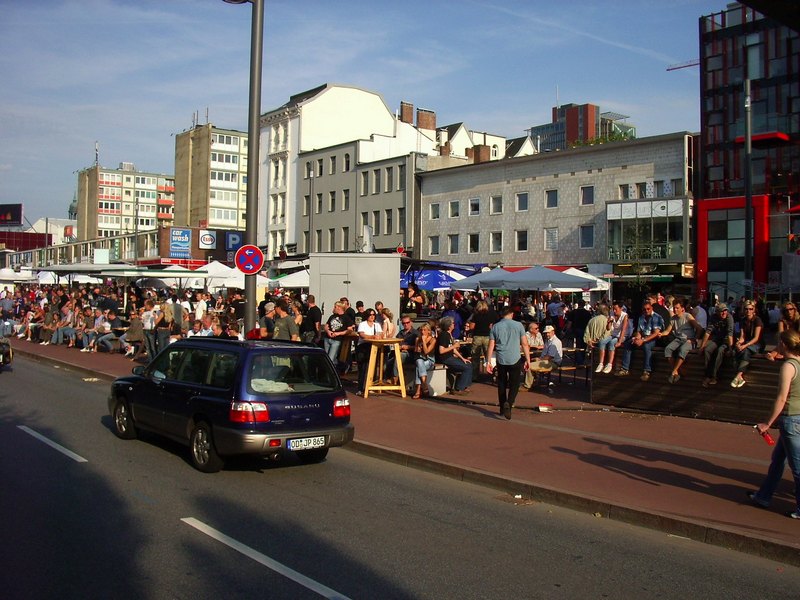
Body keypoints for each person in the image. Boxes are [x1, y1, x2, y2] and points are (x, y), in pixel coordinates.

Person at [749, 329, 800, 519]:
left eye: (779, 343)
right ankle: (763, 496)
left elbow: (781, 398)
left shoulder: (788, 366)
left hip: (791, 419)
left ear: (784, 345)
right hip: (798, 417)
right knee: (778, 460)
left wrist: (767, 423)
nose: (777, 346)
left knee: (797, 467)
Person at [486, 306, 531, 420]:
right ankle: (509, 404)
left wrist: (488, 362)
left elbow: (491, 345)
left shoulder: (495, 326)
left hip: (501, 358)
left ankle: (502, 407)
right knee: (514, 384)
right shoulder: (519, 325)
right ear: (511, 314)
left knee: (501, 383)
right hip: (515, 357)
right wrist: (527, 359)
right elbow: (525, 344)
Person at [659, 298, 704, 384]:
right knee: (667, 349)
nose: (675, 310)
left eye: (677, 308)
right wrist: (661, 334)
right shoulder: (673, 319)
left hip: (689, 339)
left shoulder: (687, 316)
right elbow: (668, 330)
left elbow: (699, 328)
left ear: (682, 308)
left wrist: (695, 339)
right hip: (678, 339)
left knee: (683, 349)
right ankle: (676, 371)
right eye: (674, 308)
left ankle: (674, 371)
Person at [617, 301, 665, 381]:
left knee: (647, 346)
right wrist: (637, 338)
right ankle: (625, 368)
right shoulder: (641, 317)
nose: (646, 311)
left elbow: (656, 333)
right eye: (644, 309)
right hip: (644, 337)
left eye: (648, 309)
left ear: (651, 308)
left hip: (654, 338)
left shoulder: (657, 317)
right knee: (628, 343)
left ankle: (647, 370)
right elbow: (639, 332)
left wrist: (643, 340)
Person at [698, 303, 734, 387]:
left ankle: (714, 376)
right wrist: (702, 347)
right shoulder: (714, 317)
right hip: (718, 338)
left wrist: (730, 348)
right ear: (717, 312)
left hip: (727, 340)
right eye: (722, 311)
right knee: (707, 350)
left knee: (720, 351)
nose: (724, 313)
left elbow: (730, 333)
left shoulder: (729, 317)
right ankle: (708, 374)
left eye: (725, 310)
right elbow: (708, 332)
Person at [731, 300, 764, 388]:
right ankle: (739, 377)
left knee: (746, 351)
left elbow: (756, 338)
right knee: (735, 351)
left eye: (750, 309)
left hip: (757, 344)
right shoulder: (743, 320)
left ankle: (739, 375)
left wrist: (744, 345)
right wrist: (738, 343)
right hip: (747, 343)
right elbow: (742, 337)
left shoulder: (757, 320)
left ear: (754, 310)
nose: (748, 311)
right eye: (746, 309)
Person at [436, 316, 472, 394]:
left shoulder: (449, 335)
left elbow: (454, 350)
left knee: (468, 364)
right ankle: (459, 388)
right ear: (449, 326)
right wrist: (454, 346)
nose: (454, 324)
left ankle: (464, 385)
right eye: (452, 323)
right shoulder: (444, 335)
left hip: (450, 357)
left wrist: (462, 358)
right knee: (466, 368)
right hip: (445, 358)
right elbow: (441, 351)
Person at [466, 300, 496, 381]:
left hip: (477, 336)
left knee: (475, 357)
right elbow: (492, 325)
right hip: (488, 336)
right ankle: (491, 375)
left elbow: (472, 327)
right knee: (489, 356)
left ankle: (475, 375)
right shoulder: (491, 314)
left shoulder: (476, 314)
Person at [356, 308, 382, 395]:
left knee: (373, 367)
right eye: (370, 315)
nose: (372, 316)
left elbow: (380, 334)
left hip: (373, 347)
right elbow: (362, 335)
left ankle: (370, 386)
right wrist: (372, 336)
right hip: (363, 347)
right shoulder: (362, 324)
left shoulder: (377, 325)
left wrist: (377, 336)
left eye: (373, 314)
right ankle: (361, 388)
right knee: (363, 367)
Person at [589, 303, 618, 374]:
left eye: (615, 309)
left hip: (618, 336)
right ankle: (601, 363)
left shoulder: (624, 316)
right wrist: (609, 322)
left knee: (611, 343)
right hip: (612, 335)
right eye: (612, 309)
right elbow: (608, 329)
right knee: (602, 341)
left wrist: (589, 340)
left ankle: (609, 364)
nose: (614, 311)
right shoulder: (610, 317)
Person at [323, 301, 354, 369]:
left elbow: (349, 330)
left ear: (339, 308)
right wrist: (328, 331)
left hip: (336, 340)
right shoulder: (332, 316)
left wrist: (338, 333)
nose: (334, 308)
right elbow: (326, 326)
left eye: (335, 307)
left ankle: (335, 370)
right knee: (326, 357)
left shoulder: (346, 318)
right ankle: (337, 367)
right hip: (328, 338)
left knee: (331, 358)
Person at [412, 323, 436, 399]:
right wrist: (417, 349)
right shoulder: (417, 339)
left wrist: (424, 341)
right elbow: (415, 352)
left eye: (424, 330)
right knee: (419, 362)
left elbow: (426, 352)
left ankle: (418, 390)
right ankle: (424, 385)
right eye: (421, 330)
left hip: (429, 361)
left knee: (418, 367)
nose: (422, 332)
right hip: (420, 359)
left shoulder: (433, 340)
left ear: (429, 331)